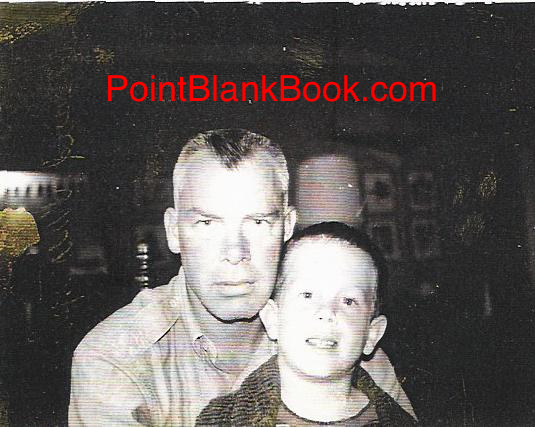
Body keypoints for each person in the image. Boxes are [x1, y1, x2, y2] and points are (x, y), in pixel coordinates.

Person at [69, 129, 413, 426]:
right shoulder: (117, 360)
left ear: (287, 227)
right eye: (207, 223)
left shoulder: (336, 342)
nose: (235, 252)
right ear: (173, 232)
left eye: (258, 222)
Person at [196, 222, 417, 426]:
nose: (326, 312)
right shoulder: (220, 420)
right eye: (307, 295)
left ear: (372, 334)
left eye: (348, 301)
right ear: (272, 318)